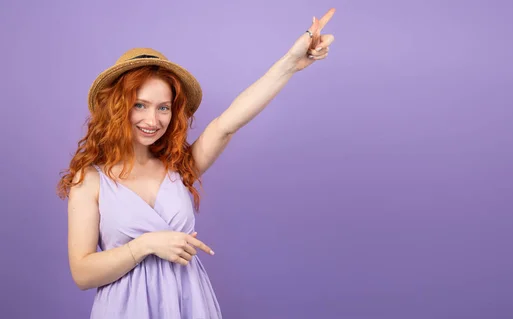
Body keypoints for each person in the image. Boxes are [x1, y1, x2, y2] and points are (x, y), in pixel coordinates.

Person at [55, 8, 335, 319]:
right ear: (117, 108)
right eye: (140, 105)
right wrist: (145, 245)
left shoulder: (180, 166)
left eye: (164, 107)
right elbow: (82, 272)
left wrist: (291, 64)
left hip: (189, 305)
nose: (153, 119)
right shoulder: (90, 179)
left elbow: (228, 123)